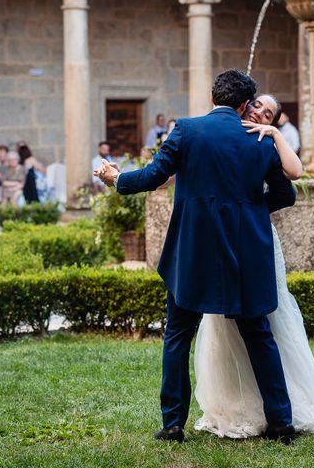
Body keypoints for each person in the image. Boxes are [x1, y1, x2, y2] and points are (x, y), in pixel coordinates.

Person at [95, 69, 298, 444]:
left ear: (211, 97)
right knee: (259, 336)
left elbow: (154, 176)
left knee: (177, 336)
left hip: (193, 252)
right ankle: (281, 423)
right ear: (243, 105)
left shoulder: (186, 130)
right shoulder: (259, 140)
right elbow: (286, 195)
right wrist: (251, 211)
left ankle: (173, 424)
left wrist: (116, 180)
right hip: (245, 254)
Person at [193, 93, 314, 439]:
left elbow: (289, 188)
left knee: (266, 323)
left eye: (267, 112)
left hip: (254, 241)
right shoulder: (213, 135)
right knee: (224, 327)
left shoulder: (265, 144)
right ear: (243, 104)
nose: (258, 112)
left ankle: (282, 413)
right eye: (256, 105)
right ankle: (237, 403)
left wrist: (274, 134)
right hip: (222, 239)